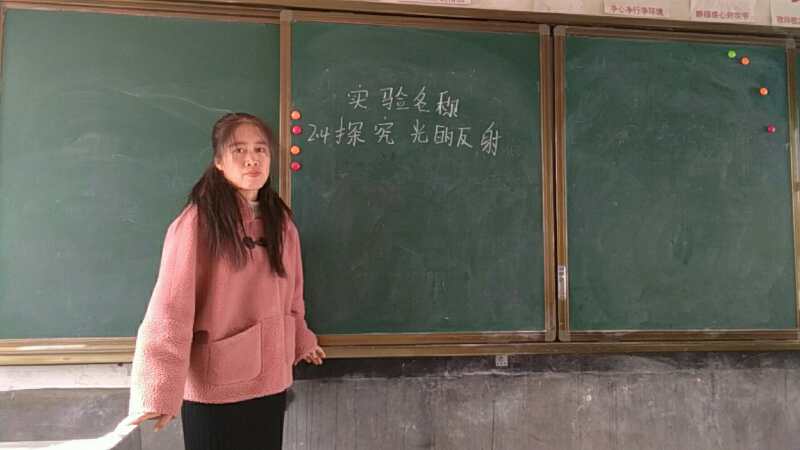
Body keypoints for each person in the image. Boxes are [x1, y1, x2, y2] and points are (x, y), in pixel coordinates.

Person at [125, 112, 326, 450]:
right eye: (239, 150)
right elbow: (170, 309)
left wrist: (302, 339)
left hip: (270, 383)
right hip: (216, 387)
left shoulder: (281, 224)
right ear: (219, 161)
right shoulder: (197, 223)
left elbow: (293, 297)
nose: (252, 159)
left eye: (260, 150)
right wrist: (158, 391)